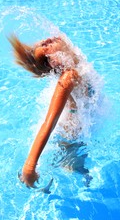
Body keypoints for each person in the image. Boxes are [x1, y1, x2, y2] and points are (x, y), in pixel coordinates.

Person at [9, 34, 99, 188]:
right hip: (71, 132)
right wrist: (30, 166)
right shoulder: (68, 77)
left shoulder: (75, 60)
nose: (47, 41)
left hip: (77, 120)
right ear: (54, 61)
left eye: (43, 42)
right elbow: (48, 123)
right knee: (74, 167)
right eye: (45, 47)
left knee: (72, 161)